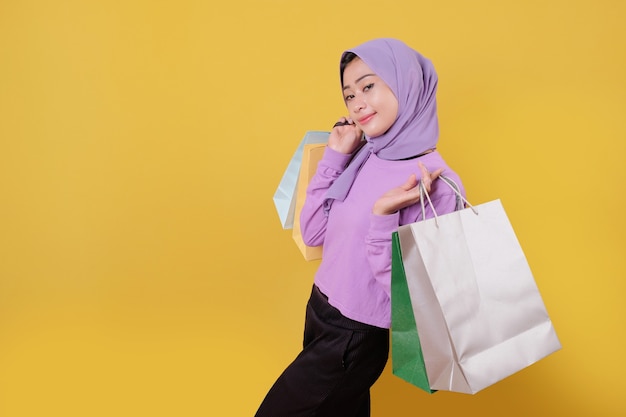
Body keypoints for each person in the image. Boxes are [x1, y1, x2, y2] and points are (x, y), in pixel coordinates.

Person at [256, 38, 465, 417]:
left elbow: (412, 300)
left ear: (405, 84)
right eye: (349, 94)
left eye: (369, 86)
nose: (358, 103)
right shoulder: (368, 153)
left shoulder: (437, 182)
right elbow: (314, 232)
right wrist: (335, 157)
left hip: (354, 333)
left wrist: (383, 215)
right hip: (320, 308)